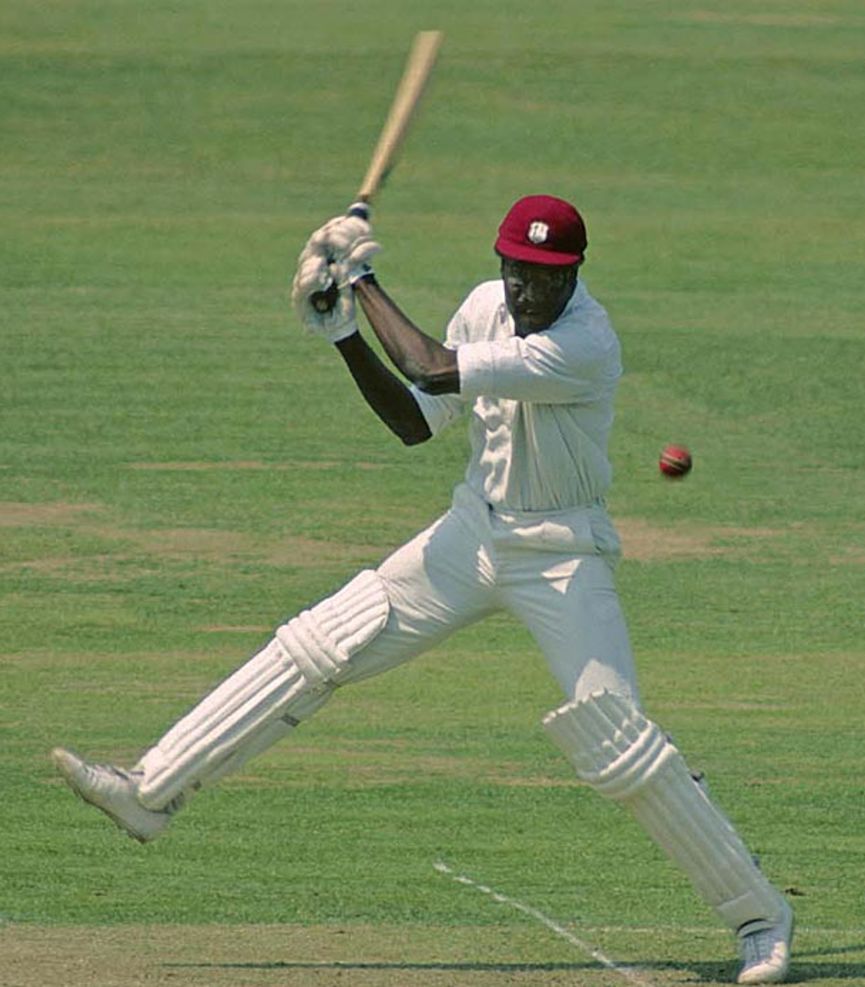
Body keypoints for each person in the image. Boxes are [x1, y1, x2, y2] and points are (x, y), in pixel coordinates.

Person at [51, 195, 793, 984]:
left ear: (573, 273)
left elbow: (431, 364)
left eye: (543, 276)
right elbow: (418, 416)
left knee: (621, 744)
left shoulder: (586, 342)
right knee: (323, 639)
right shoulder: (484, 305)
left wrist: (362, 275)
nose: (524, 290)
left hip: (561, 551)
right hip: (473, 533)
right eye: (515, 270)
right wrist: (341, 332)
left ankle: (759, 916)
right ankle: (151, 789)